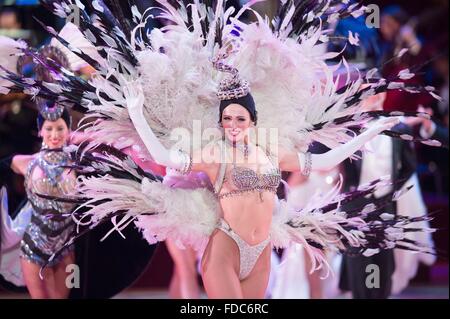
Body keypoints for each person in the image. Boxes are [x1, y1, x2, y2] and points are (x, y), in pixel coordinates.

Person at [0, 0, 440, 300]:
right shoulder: (215, 156)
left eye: (238, 119)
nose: (232, 125)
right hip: (226, 246)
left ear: (251, 121)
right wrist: (136, 114)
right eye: (226, 119)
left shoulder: (273, 152)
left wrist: (376, 129)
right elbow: (170, 158)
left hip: (262, 248)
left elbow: (325, 159)